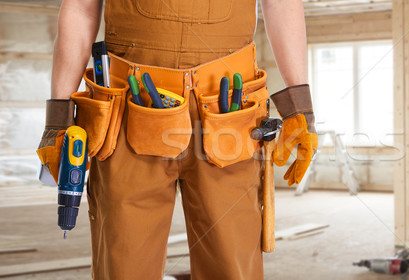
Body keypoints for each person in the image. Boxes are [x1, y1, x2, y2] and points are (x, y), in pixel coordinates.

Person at [36, 0, 318, 279]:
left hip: (231, 113)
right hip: (126, 112)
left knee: (232, 267)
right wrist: (58, 119)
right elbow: (80, 7)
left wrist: (300, 107)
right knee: (124, 264)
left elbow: (281, 3)